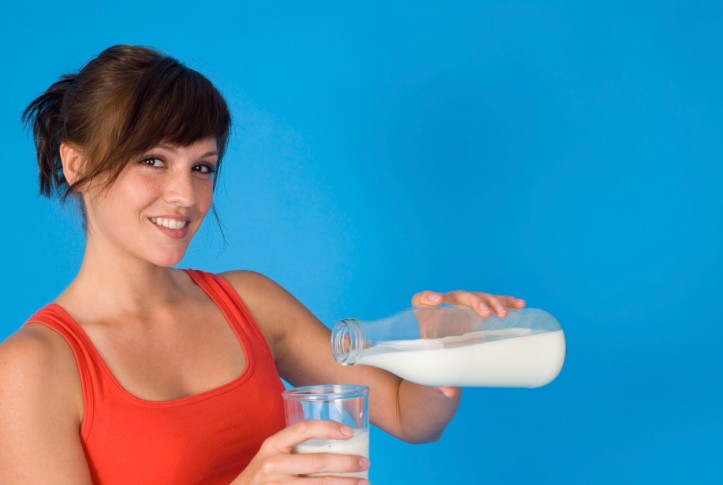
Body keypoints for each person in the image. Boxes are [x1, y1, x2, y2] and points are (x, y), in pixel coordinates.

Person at [0, 45, 526, 484]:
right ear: (77, 165)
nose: (185, 195)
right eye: (153, 160)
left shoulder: (249, 304)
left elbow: (409, 414)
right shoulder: (32, 369)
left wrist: (444, 349)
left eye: (202, 167)